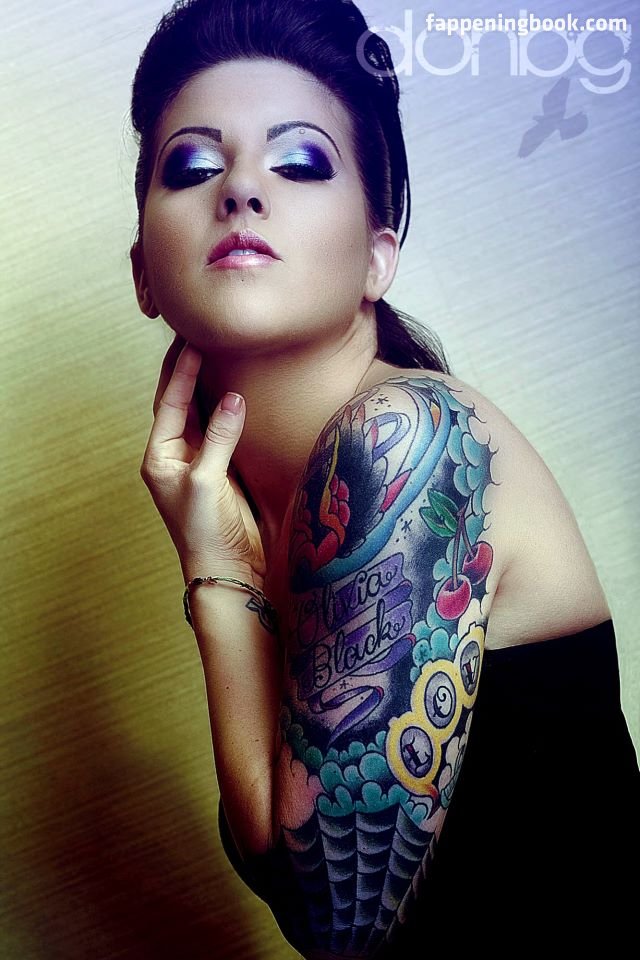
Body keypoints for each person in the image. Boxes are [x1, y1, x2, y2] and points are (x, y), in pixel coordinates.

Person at [128, 1, 640, 956]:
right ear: (142, 276)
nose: (241, 189)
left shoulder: (401, 441)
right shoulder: (267, 502)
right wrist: (228, 556)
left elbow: (334, 926)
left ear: (377, 256)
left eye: (300, 162)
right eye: (192, 166)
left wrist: (218, 576)